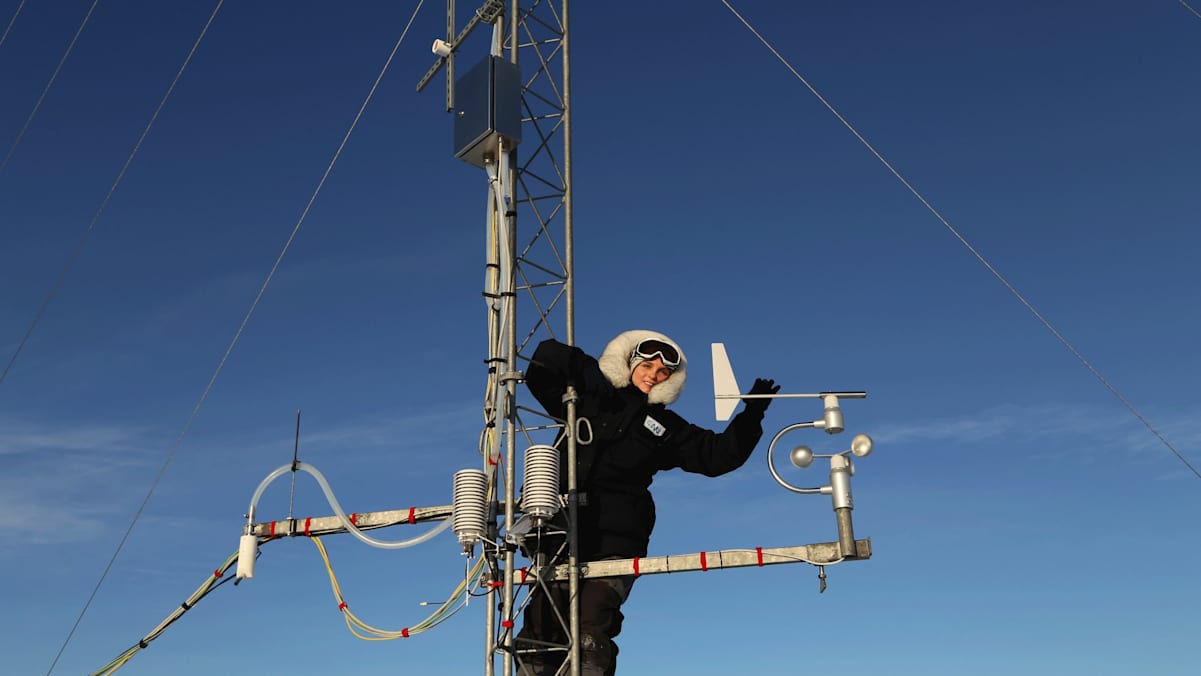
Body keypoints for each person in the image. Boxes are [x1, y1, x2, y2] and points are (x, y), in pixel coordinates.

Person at [515, 329, 779, 676]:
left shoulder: (662, 425)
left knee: (592, 624)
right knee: (541, 629)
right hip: (557, 531)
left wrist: (751, 415)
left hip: (615, 538)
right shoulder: (582, 397)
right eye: (648, 365)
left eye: (663, 373)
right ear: (629, 361)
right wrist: (595, 372)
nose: (653, 375)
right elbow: (543, 361)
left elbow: (715, 457)